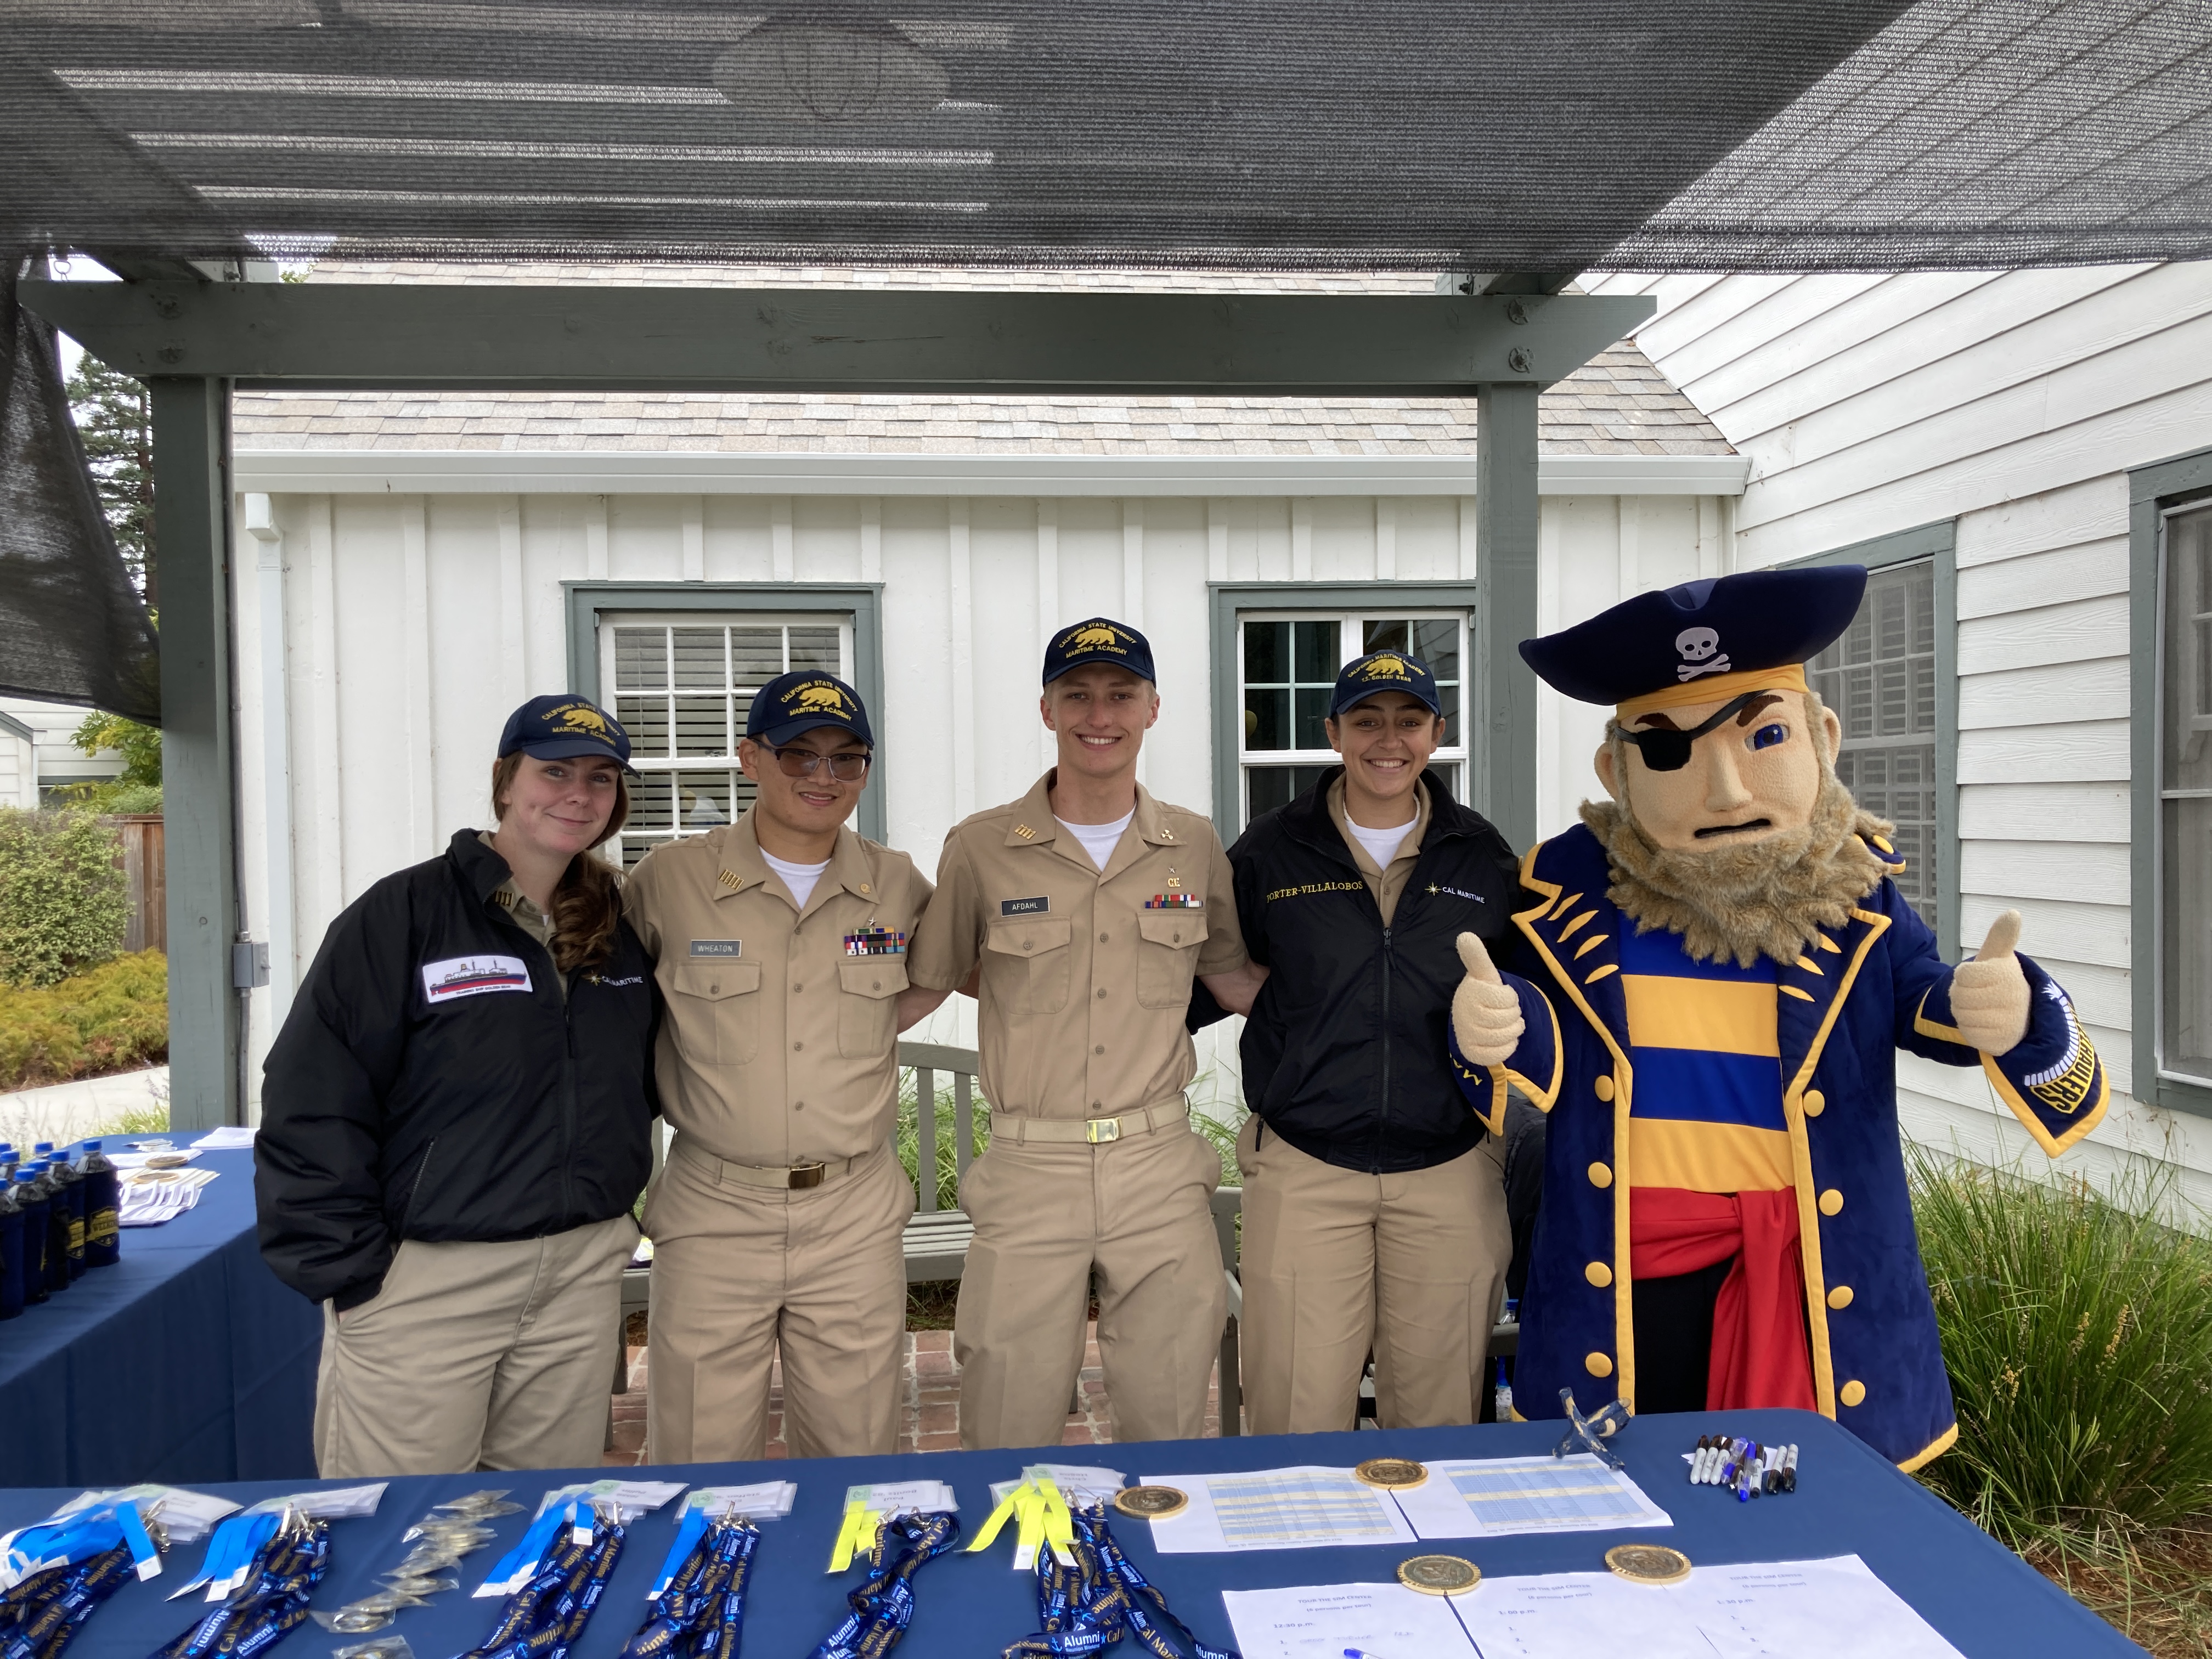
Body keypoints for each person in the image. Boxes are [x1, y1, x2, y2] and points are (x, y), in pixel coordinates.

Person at [1450, 567, 2108, 1468]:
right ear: (1616, 771)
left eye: (1763, 735)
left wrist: (2002, 1006)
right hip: (1625, 1275)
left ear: (1821, 739)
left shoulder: (1853, 893)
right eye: (1671, 752)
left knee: (1769, 1508)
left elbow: (1922, 997)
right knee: (1628, 1493)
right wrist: (1498, 1022)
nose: (1725, 790)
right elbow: (1548, 1034)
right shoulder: (1569, 897)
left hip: (1806, 1280)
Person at [257, 695, 656, 1477]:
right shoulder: (403, 915)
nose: (578, 794)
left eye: (601, 778)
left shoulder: (618, 926)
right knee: (398, 1539)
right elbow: (312, 1093)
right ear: (507, 781)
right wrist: (352, 1271)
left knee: (536, 1530)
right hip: (430, 1280)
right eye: (555, 771)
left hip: (577, 1276)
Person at [905, 618, 1265, 1449]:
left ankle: (1160, 1570)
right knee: (1005, 1409)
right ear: (1046, 709)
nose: (1098, 714)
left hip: (1157, 1162)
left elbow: (1232, 977)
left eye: (1120, 694)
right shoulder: (983, 847)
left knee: (1172, 1412)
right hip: (1034, 1164)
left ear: (1152, 709)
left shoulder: (1193, 844)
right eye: (1078, 695)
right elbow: (943, 973)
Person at [1191, 649, 1520, 1433]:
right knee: (1296, 1410)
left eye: (1409, 720)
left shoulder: (1484, 856)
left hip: (1450, 1168)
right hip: (1307, 1166)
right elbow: (1191, 979)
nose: (1388, 739)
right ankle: (1301, 1550)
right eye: (1367, 720)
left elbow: (1533, 1002)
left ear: (1436, 733)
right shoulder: (1271, 852)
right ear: (1334, 732)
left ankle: (1430, 1559)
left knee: (1441, 1417)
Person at [623, 670, 938, 1463]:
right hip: (714, 1207)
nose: (824, 778)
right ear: (750, 759)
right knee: (699, 1454)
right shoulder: (670, 881)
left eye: (846, 758)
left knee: (855, 1452)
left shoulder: (895, 883)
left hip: (853, 1210)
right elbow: (612, 1010)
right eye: (799, 755)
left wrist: (870, 1025)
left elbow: (944, 967)